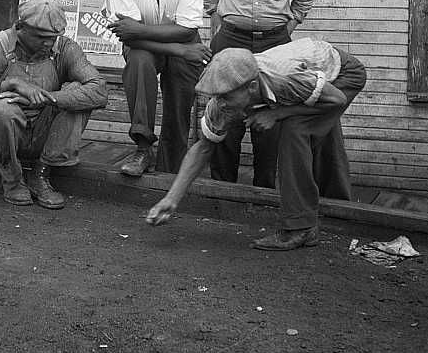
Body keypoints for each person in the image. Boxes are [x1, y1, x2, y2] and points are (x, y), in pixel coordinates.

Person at [147, 38, 365, 250]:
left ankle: (301, 227)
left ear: (251, 87)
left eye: (226, 96)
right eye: (217, 96)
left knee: (294, 130)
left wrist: (278, 113)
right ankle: (330, 205)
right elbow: (203, 148)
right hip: (311, 73)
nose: (220, 103)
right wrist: (171, 199)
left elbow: (336, 100)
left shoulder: (284, 77)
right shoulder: (221, 101)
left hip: (343, 74)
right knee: (311, 126)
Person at [203, 0, 315, 188]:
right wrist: (217, 13)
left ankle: (264, 191)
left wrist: (290, 25)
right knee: (225, 110)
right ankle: (222, 189)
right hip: (231, 39)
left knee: (270, 117)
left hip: (274, 43)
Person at [0, 0, 107, 209]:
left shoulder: (65, 48)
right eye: (41, 37)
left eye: (53, 37)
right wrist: (8, 85)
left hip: (41, 137)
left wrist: (46, 97)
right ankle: (12, 180)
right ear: (20, 28)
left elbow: (99, 90)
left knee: (76, 94)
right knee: (1, 109)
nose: (48, 43)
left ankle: (40, 174)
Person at [107, 0, 211, 176]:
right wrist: (180, 50)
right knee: (140, 63)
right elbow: (128, 39)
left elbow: (187, 30)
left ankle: (171, 167)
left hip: (180, 39)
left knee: (179, 101)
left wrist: (139, 29)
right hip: (151, 47)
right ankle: (143, 149)